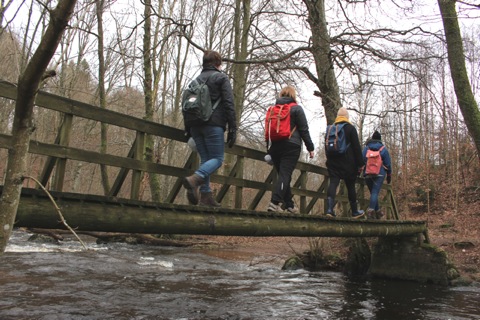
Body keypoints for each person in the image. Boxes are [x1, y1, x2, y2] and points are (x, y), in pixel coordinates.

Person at [182, 50, 237, 207]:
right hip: (213, 124)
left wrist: (188, 128)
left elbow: (186, 106)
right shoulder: (221, 78)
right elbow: (228, 104)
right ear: (218, 64)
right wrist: (233, 128)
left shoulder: (195, 81)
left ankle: (206, 196)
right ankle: (195, 179)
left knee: (206, 159)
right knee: (218, 159)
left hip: (195, 126)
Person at [267, 86, 315, 213]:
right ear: (293, 96)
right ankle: (274, 202)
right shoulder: (297, 109)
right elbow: (304, 130)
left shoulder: (274, 109)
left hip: (276, 146)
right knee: (285, 175)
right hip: (291, 146)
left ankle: (289, 205)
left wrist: (269, 148)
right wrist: (310, 148)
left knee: (283, 175)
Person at [325, 107, 365, 218]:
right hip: (348, 163)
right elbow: (356, 148)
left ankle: (329, 209)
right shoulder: (350, 128)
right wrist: (361, 164)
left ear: (337, 117)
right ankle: (354, 211)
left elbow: (327, 147)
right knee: (350, 185)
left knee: (333, 183)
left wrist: (329, 161)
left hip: (333, 163)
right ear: (347, 117)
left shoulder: (330, 129)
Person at [362, 130, 392, 219]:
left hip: (367, 173)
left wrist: (359, 171)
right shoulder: (383, 149)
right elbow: (388, 164)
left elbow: (361, 160)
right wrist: (389, 175)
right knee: (375, 192)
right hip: (379, 174)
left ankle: (378, 210)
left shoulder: (366, 148)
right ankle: (371, 211)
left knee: (373, 193)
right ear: (380, 139)